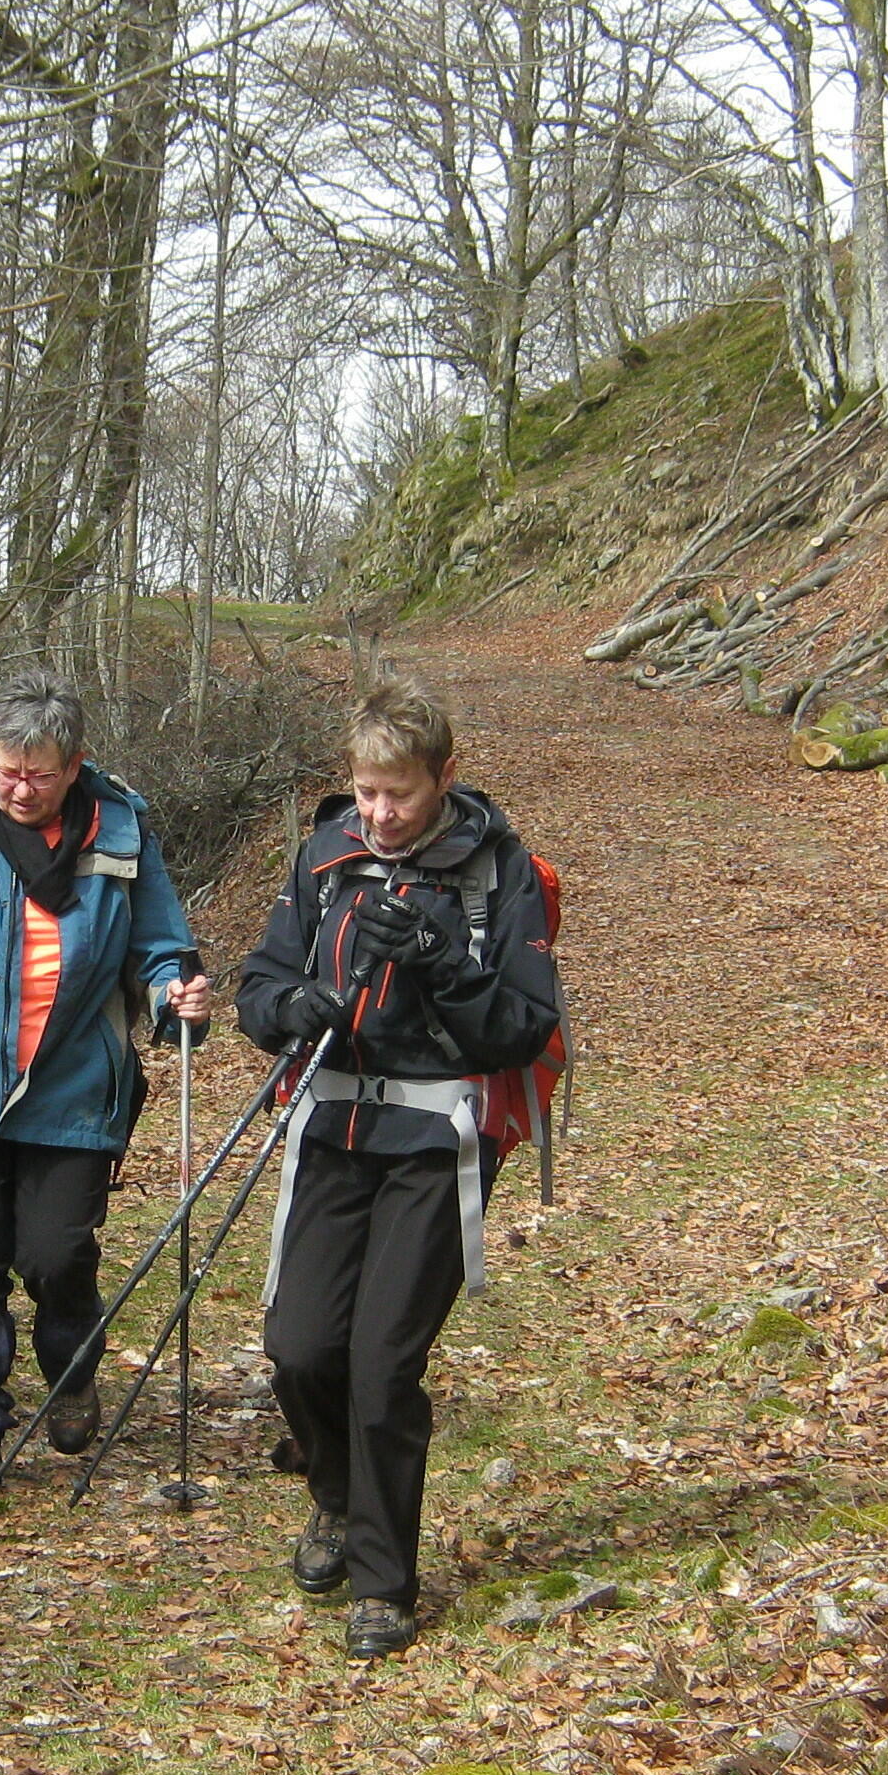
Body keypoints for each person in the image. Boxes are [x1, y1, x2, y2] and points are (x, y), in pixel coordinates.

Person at [236, 676, 558, 1657]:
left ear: (445, 776)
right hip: (333, 1124)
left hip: (436, 1136)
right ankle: (334, 1495)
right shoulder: (326, 856)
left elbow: (524, 1024)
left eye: (400, 794)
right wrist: (297, 1008)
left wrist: (441, 962)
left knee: (381, 1364)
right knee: (300, 1347)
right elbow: (260, 986)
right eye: (367, 792)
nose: (378, 813)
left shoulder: (497, 870)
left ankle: (384, 1580)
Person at [0, 674, 215, 1506]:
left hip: (74, 1092)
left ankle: (72, 1369)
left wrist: (177, 997)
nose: (20, 790)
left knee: (55, 1256)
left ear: (75, 763)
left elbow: (162, 949)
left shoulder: (120, 837)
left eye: (39, 775)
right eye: (7, 772)